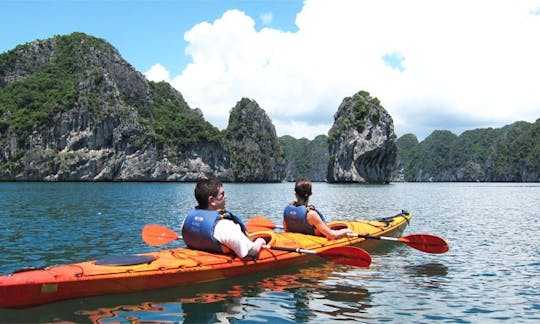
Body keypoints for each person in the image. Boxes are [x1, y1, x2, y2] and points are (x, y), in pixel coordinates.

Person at [182, 179, 266, 259]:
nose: (226, 196)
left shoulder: (186, 220)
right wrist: (260, 241)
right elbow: (251, 251)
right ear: (212, 200)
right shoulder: (225, 226)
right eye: (222, 194)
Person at [283, 177, 352, 240]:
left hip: (297, 241)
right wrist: (347, 231)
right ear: (311, 193)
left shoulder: (287, 210)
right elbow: (332, 236)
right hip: (312, 243)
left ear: (295, 194)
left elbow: (286, 231)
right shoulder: (311, 215)